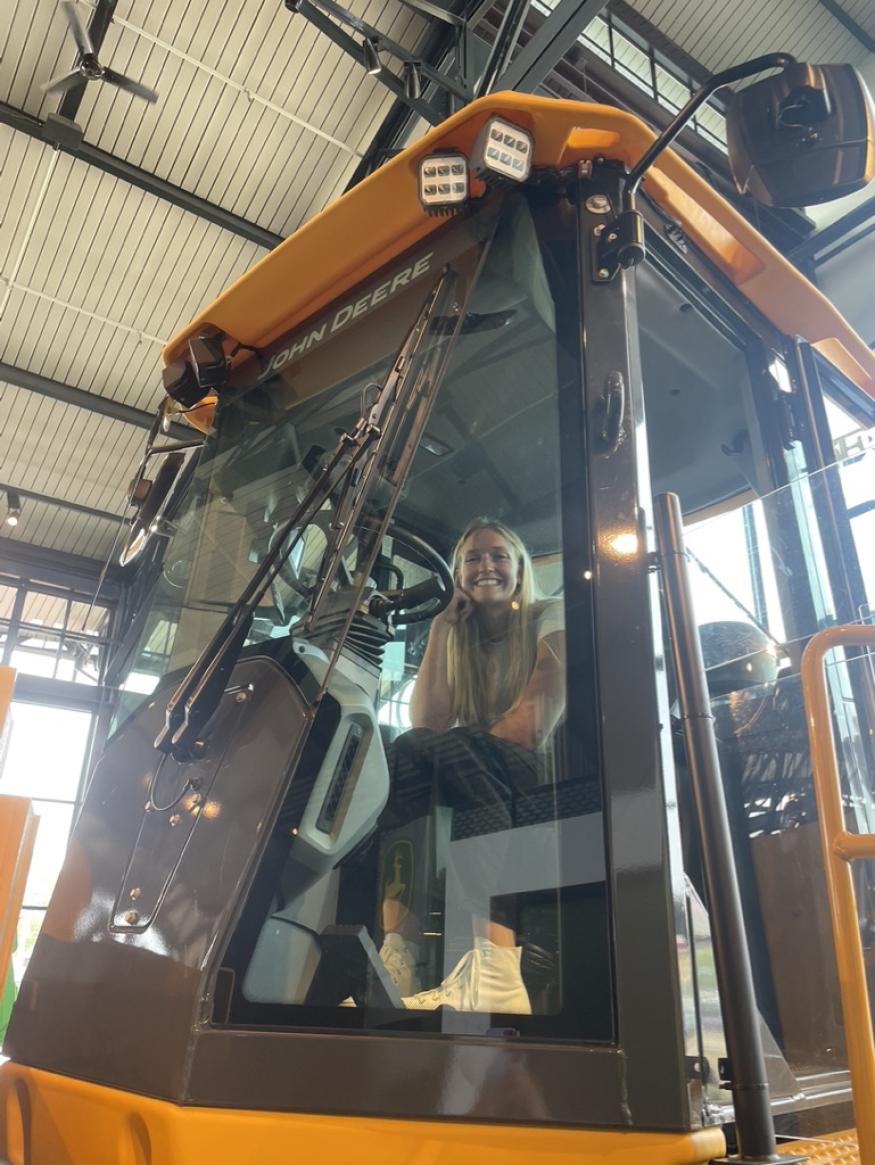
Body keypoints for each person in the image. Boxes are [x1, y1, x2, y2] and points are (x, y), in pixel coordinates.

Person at [373, 518, 565, 1013]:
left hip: (552, 773)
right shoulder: (460, 637)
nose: (487, 566)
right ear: (458, 574)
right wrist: (440, 627)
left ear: (520, 568)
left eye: (499, 555)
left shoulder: (552, 615)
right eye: (473, 558)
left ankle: (497, 964)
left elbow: (533, 725)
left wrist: (464, 744)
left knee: (453, 748)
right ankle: (399, 953)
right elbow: (426, 724)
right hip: (479, 768)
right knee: (400, 757)